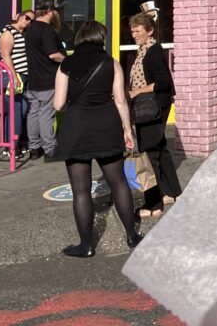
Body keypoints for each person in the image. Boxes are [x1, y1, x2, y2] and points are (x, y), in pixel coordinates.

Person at [52, 20, 142, 257]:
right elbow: (121, 100)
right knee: (119, 182)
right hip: (106, 125)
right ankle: (132, 236)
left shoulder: (66, 65)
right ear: (100, 38)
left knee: (81, 190)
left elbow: (58, 104)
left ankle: (86, 245)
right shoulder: (111, 63)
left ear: (80, 38)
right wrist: (127, 131)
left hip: (76, 128)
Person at [126, 11, 182, 218]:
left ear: (149, 31)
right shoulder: (143, 51)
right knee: (159, 149)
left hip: (152, 107)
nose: (134, 34)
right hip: (150, 106)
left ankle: (153, 205)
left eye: (138, 30)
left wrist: (136, 91)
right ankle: (172, 192)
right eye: (132, 31)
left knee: (149, 155)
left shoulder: (153, 51)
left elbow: (163, 82)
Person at [23, 0, 66, 160]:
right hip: (48, 79)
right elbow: (52, 54)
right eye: (56, 11)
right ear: (49, 12)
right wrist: (68, 60)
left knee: (34, 113)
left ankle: (34, 148)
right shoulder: (46, 30)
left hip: (34, 79)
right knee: (46, 115)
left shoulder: (31, 29)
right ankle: (50, 149)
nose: (58, 14)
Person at [0, 10, 34, 154]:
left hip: (22, 75)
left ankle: (10, 145)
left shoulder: (22, 34)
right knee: (17, 111)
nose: (28, 21)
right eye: (26, 17)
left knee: (19, 110)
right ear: (19, 16)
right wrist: (13, 77)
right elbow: (6, 55)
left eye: (32, 20)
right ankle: (13, 148)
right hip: (11, 75)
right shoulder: (8, 32)